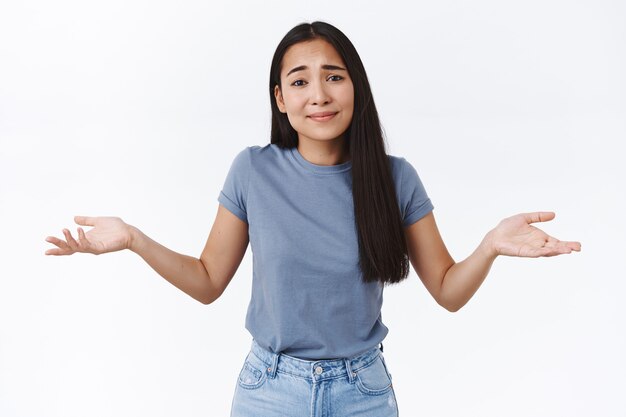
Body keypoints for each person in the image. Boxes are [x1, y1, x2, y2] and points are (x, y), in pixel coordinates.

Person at [44, 21, 581, 417]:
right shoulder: (252, 170)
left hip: (363, 394)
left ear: (356, 88)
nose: (318, 95)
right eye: (299, 82)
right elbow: (208, 281)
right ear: (280, 99)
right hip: (268, 390)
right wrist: (135, 239)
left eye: (334, 77)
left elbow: (446, 289)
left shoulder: (395, 179)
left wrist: (488, 246)